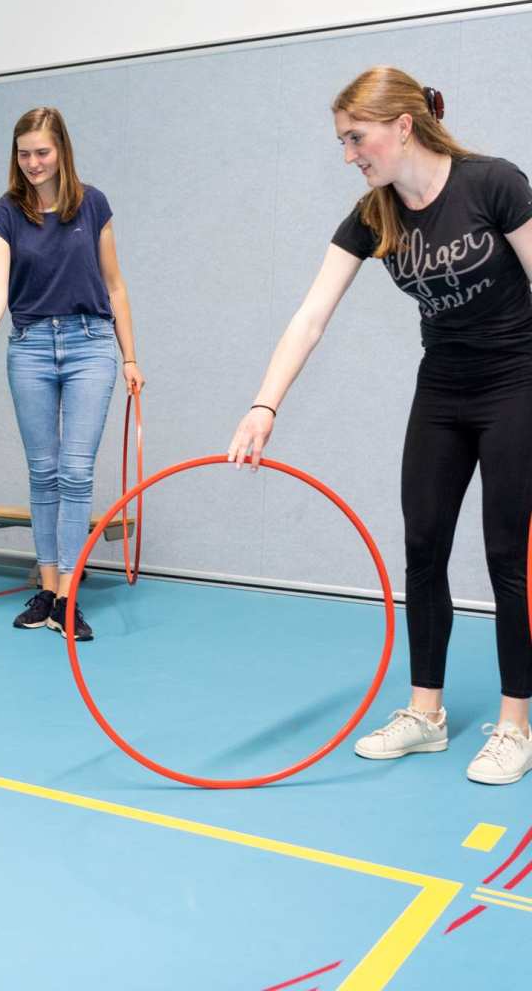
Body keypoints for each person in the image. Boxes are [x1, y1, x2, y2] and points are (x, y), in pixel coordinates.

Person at [228, 66, 532, 785]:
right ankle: (425, 715)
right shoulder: (374, 216)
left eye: (355, 138)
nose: (348, 155)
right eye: (342, 141)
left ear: (403, 125)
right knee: (422, 549)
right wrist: (263, 404)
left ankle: (516, 723)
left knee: (506, 559)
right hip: (442, 391)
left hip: (517, 383)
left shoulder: (493, 183)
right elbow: (310, 316)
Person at [0, 107, 144, 641]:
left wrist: (128, 356)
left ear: (62, 152)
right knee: (44, 471)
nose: (33, 162)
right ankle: (50, 589)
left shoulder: (93, 204)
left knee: (76, 472)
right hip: (30, 346)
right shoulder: (6, 213)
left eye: (42, 152)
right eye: (24, 153)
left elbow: (116, 285)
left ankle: (69, 595)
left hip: (90, 345)